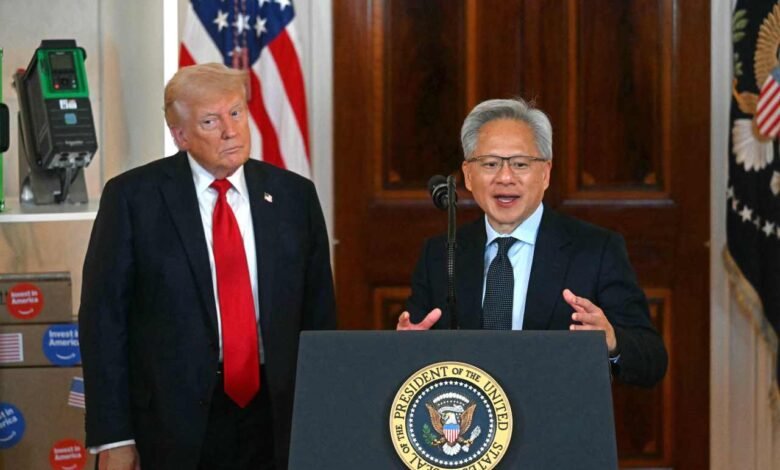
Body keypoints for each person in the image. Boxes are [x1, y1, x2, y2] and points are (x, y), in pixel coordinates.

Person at [78, 63, 336, 469]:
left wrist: (324, 417)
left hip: (276, 416)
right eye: (211, 121)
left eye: (236, 113)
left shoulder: (293, 196)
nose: (231, 131)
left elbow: (319, 315)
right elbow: (103, 322)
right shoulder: (133, 199)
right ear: (180, 135)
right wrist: (115, 436)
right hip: (172, 423)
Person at [397, 98, 667, 388]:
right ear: (469, 176)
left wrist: (612, 341)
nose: (505, 177)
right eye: (490, 164)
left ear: (545, 173)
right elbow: (411, 353)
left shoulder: (595, 250)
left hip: (555, 414)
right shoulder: (440, 254)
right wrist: (406, 349)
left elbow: (651, 359)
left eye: (520, 164)